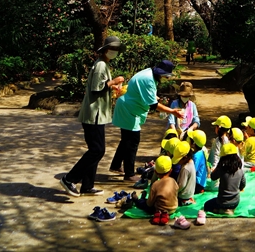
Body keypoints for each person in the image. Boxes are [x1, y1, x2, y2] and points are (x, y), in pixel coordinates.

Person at [60, 35, 125, 198]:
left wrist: (113, 86)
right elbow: (97, 88)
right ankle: (69, 179)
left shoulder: (103, 65)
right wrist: (114, 81)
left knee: (95, 149)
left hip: (97, 114)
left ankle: (87, 186)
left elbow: (101, 87)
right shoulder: (101, 65)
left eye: (117, 50)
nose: (115, 52)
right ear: (106, 50)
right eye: (114, 49)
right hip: (93, 114)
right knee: (97, 150)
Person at [110, 61, 184, 182]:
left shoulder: (149, 74)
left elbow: (145, 94)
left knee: (126, 140)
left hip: (129, 107)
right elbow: (154, 105)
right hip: (129, 110)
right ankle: (129, 174)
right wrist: (173, 111)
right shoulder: (148, 79)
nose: (165, 79)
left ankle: (116, 165)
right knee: (133, 141)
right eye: (165, 76)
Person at [132, 155, 178, 225]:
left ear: (155, 172)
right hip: (173, 208)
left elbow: (149, 204)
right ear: (171, 170)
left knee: (143, 203)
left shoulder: (155, 184)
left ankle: (137, 200)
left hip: (158, 209)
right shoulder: (173, 181)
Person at [204, 143, 246, 215]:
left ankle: (221, 211)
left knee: (206, 205)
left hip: (222, 202)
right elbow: (243, 185)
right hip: (235, 202)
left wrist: (218, 165)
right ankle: (230, 209)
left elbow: (213, 177)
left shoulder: (221, 169)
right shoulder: (240, 171)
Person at [188, 129, 208, 193]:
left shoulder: (197, 156)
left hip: (198, 184)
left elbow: (193, 171)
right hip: (201, 183)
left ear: (193, 143)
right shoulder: (201, 152)